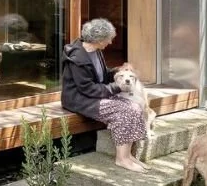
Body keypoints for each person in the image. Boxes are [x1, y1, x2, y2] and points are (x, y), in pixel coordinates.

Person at [61, 18, 148, 172]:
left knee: (136, 106)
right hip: (80, 100)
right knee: (126, 110)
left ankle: (128, 155)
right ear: (99, 40)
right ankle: (121, 159)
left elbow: (101, 76)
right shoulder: (78, 59)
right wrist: (117, 87)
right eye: (109, 39)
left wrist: (119, 71)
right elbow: (88, 89)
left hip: (93, 95)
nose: (110, 42)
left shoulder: (95, 51)